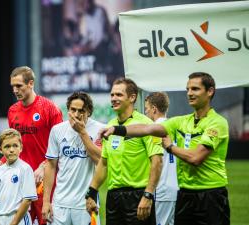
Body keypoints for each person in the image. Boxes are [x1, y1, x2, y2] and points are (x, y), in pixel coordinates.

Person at [101, 72, 230, 225]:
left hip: (211, 195)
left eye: (195, 89)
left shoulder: (217, 122)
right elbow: (147, 129)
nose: (189, 93)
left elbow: (196, 158)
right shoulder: (181, 121)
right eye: (188, 89)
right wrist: (117, 130)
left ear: (210, 91)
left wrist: (170, 147)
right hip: (184, 195)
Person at [0, 66, 63, 225]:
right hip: (20, 179)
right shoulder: (12, 111)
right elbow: (12, 145)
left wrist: (43, 167)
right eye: (13, 86)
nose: (15, 90)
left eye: (19, 86)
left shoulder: (50, 109)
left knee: (46, 221)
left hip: (45, 180)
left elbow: (60, 146)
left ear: (30, 83)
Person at [86, 78, 163, 225]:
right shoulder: (110, 126)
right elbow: (103, 163)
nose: (114, 98)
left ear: (132, 97)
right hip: (114, 198)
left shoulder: (146, 125)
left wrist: (148, 194)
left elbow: (157, 161)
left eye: (119, 95)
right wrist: (91, 192)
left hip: (138, 196)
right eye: (112, 95)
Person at [42, 91, 104, 224]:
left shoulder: (100, 129)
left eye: (81, 111)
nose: (76, 115)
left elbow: (101, 161)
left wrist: (82, 132)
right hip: (60, 203)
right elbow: (51, 166)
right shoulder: (57, 130)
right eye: (72, 110)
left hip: (86, 204)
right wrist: (46, 202)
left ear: (89, 111)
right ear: (68, 109)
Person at [0, 128, 37, 225]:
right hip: (0, 219)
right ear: (0, 150)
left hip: (19, 220)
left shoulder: (26, 169)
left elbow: (27, 200)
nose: (11, 150)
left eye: (15, 146)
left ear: (21, 147)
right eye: (7, 146)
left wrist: (14, 223)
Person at [144, 92, 178, 225]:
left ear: (154, 109)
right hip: (176, 188)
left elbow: (156, 160)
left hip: (161, 189)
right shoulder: (175, 126)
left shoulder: (153, 130)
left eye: (146, 109)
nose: (145, 112)